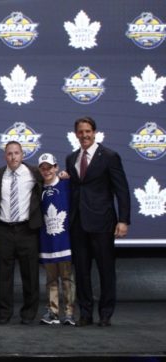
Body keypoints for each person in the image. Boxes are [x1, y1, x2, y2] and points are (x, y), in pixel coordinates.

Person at [65, 116, 130, 327]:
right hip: (78, 223)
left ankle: (105, 313)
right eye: (80, 132)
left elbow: (122, 190)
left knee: (105, 270)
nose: (84, 135)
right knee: (82, 272)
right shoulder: (71, 158)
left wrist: (123, 220)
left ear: (94, 132)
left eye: (88, 131)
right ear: (76, 134)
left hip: (102, 222)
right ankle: (85, 313)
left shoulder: (109, 156)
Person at [0, 141, 43, 325]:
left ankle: (29, 314)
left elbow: (50, 186)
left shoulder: (34, 173)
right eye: (10, 153)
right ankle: (4, 313)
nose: (13, 157)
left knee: (30, 274)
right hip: (4, 230)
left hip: (27, 230)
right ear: (5, 156)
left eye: (16, 153)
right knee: (3, 276)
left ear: (23, 154)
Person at [36, 153, 75, 326]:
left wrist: (69, 175)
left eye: (49, 167)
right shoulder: (38, 188)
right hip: (47, 241)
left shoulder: (66, 184)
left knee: (67, 278)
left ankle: (69, 312)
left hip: (64, 240)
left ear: (56, 167)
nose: (46, 171)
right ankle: (53, 312)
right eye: (43, 168)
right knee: (51, 280)